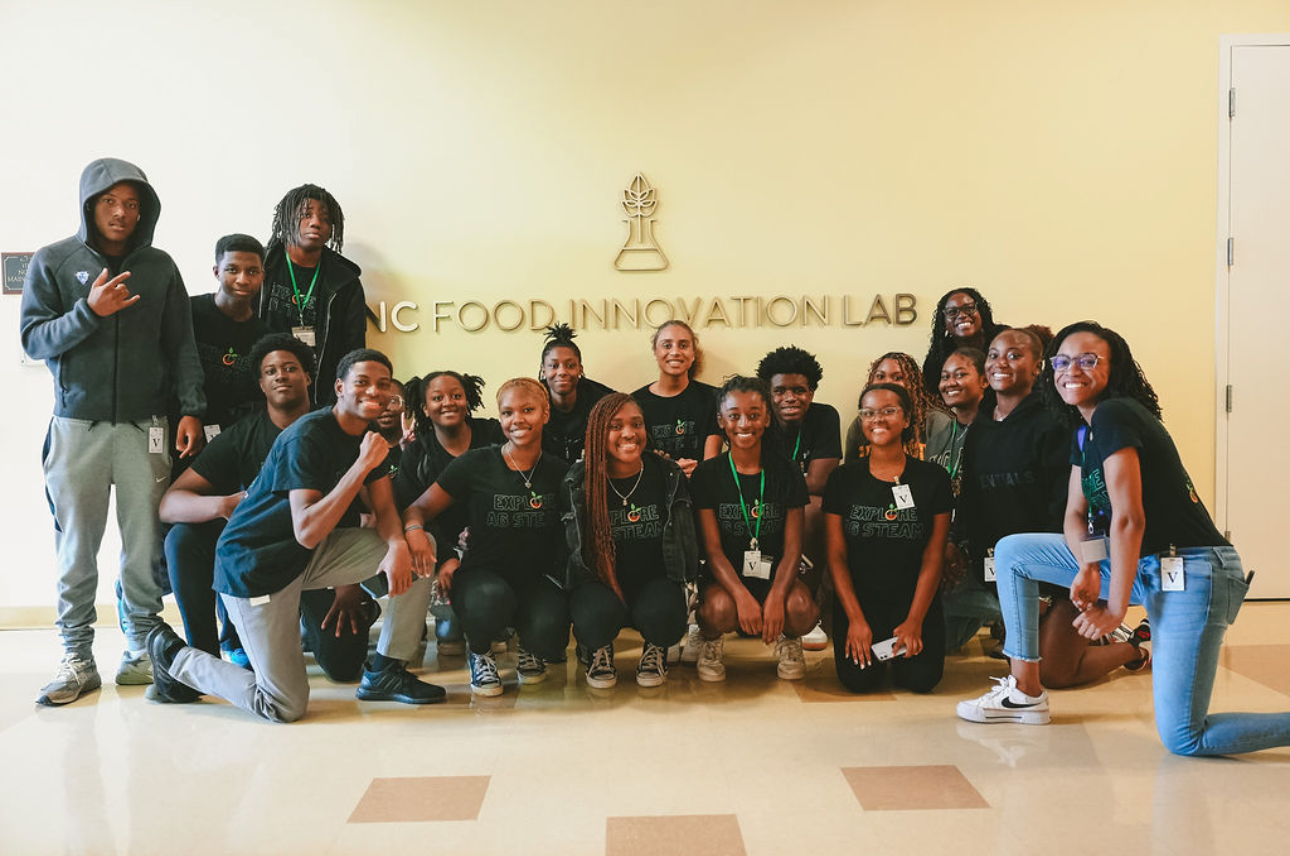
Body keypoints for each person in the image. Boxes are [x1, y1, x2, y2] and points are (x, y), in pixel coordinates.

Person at [956, 322, 1290, 756]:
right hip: (1148, 565)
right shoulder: (1084, 429)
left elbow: (1130, 518)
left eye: (1088, 360)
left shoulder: (1116, 414)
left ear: (1116, 369)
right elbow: (1076, 515)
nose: (1070, 370)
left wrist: (1115, 606)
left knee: (1186, 737)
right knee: (1014, 551)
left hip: (1193, 572)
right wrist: (1091, 566)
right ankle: (1024, 692)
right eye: (1061, 361)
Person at [148, 349, 444, 722]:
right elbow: (306, 530)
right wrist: (362, 465)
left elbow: (385, 510)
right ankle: (176, 657)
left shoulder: (367, 436)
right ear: (340, 387)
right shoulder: (307, 436)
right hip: (255, 567)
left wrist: (398, 544)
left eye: (382, 384)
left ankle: (385, 671)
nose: (374, 391)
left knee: (422, 548)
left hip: (307, 558)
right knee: (284, 706)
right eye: (362, 382)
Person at [20, 158, 205, 705]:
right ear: (89, 204)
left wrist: (190, 408)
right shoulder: (54, 261)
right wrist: (89, 311)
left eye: (131, 203)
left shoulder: (161, 266)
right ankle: (77, 656)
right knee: (77, 549)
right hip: (77, 427)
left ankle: (142, 649)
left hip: (146, 427)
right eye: (110, 202)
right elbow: (33, 340)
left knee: (144, 547)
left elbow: (182, 346)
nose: (122, 212)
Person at [159, 334, 378, 683]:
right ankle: (199, 654)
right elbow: (170, 504)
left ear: (308, 377)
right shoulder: (242, 435)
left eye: (290, 368)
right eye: (271, 371)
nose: (281, 376)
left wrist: (347, 580)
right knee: (182, 540)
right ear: (260, 383)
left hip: (317, 552)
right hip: (261, 558)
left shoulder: (338, 428)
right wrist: (225, 504)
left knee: (344, 666)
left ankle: (293, 627)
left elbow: (372, 509)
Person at [947, 327, 1150, 678]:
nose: (1000, 363)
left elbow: (1069, 509)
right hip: (1007, 564)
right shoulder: (981, 423)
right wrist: (960, 544)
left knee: (1054, 672)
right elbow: (973, 497)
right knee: (1020, 660)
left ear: (1037, 366)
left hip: (1063, 562)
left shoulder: (1056, 420)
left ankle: (1136, 649)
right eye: (994, 355)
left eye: (1014, 355)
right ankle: (1090, 637)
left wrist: (1044, 584)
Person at [402, 378, 571, 696]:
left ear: (546, 414)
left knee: (552, 631)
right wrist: (418, 536)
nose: (517, 419)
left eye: (528, 410)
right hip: (482, 574)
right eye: (507, 413)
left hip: (536, 577)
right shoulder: (475, 463)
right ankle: (480, 651)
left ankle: (530, 646)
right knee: (489, 602)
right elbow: (417, 510)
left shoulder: (559, 472)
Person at [562, 394, 697, 688]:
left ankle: (655, 647)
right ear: (598, 432)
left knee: (665, 618)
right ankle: (599, 648)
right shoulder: (579, 481)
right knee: (595, 618)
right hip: (599, 582)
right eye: (616, 426)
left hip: (653, 579)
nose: (629, 433)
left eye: (637, 424)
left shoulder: (667, 474)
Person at [824, 383, 952, 693]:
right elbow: (836, 557)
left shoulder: (933, 479)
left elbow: (933, 556)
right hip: (861, 603)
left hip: (912, 603)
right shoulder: (842, 479)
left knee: (921, 681)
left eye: (888, 411)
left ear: (907, 419)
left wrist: (915, 620)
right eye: (868, 412)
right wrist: (855, 619)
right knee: (859, 681)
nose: (877, 419)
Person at [690, 376, 818, 682]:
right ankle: (709, 639)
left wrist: (775, 597)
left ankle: (789, 641)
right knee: (720, 609)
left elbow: (792, 549)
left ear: (768, 418)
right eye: (734, 416)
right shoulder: (708, 474)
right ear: (721, 421)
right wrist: (742, 596)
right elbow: (713, 550)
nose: (744, 423)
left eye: (754, 414)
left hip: (775, 576)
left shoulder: (787, 472)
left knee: (800, 609)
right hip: (726, 579)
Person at [395, 371, 505, 655]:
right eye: (437, 398)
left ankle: (498, 613)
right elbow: (410, 511)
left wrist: (485, 535)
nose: (448, 403)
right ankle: (452, 610)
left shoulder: (493, 434)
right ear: (424, 407)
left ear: (467, 400)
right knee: (450, 634)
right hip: (443, 548)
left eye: (456, 395)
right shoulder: (417, 452)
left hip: (493, 544)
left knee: (490, 616)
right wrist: (446, 557)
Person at [755, 345, 841, 651]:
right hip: (759, 505)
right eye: (780, 391)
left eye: (799, 390)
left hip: (799, 507)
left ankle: (806, 607)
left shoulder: (825, 417)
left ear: (812, 392)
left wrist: (778, 485)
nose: (790, 397)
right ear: (767, 393)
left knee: (813, 510)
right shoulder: (757, 418)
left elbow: (820, 482)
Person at [257, 184, 365, 407]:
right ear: (286, 220)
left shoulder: (345, 282)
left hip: (321, 399)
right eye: (306, 215)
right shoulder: (260, 267)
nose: (316, 222)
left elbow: (354, 350)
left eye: (325, 219)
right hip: (261, 397)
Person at [190, 234, 270, 436]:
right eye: (232, 270)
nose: (243, 280)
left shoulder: (266, 337)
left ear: (262, 275)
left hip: (233, 437)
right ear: (217, 272)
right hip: (183, 426)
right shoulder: (187, 313)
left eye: (252, 271)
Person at [632, 320, 722, 477]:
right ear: (655, 352)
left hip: (699, 488)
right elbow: (636, 463)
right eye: (667, 345)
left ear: (693, 354)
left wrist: (698, 472)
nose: (675, 352)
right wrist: (670, 472)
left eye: (683, 345)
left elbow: (710, 466)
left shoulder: (712, 398)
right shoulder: (635, 403)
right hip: (655, 491)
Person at [843, 352, 951, 465]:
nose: (887, 382)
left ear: (912, 383)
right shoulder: (861, 424)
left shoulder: (936, 422)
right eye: (880, 376)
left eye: (897, 377)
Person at [540, 323, 614, 464]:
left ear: (580, 369)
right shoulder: (530, 400)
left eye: (570, 365)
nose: (562, 372)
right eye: (554, 366)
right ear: (544, 371)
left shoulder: (603, 401)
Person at [924, 347, 987, 496]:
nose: (950, 383)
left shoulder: (996, 433)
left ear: (984, 380)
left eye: (960, 375)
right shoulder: (938, 438)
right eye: (945, 377)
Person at [919, 287, 1005, 396]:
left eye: (969, 309)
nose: (962, 315)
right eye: (952, 312)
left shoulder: (1002, 338)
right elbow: (933, 398)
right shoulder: (939, 355)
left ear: (981, 311)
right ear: (943, 320)